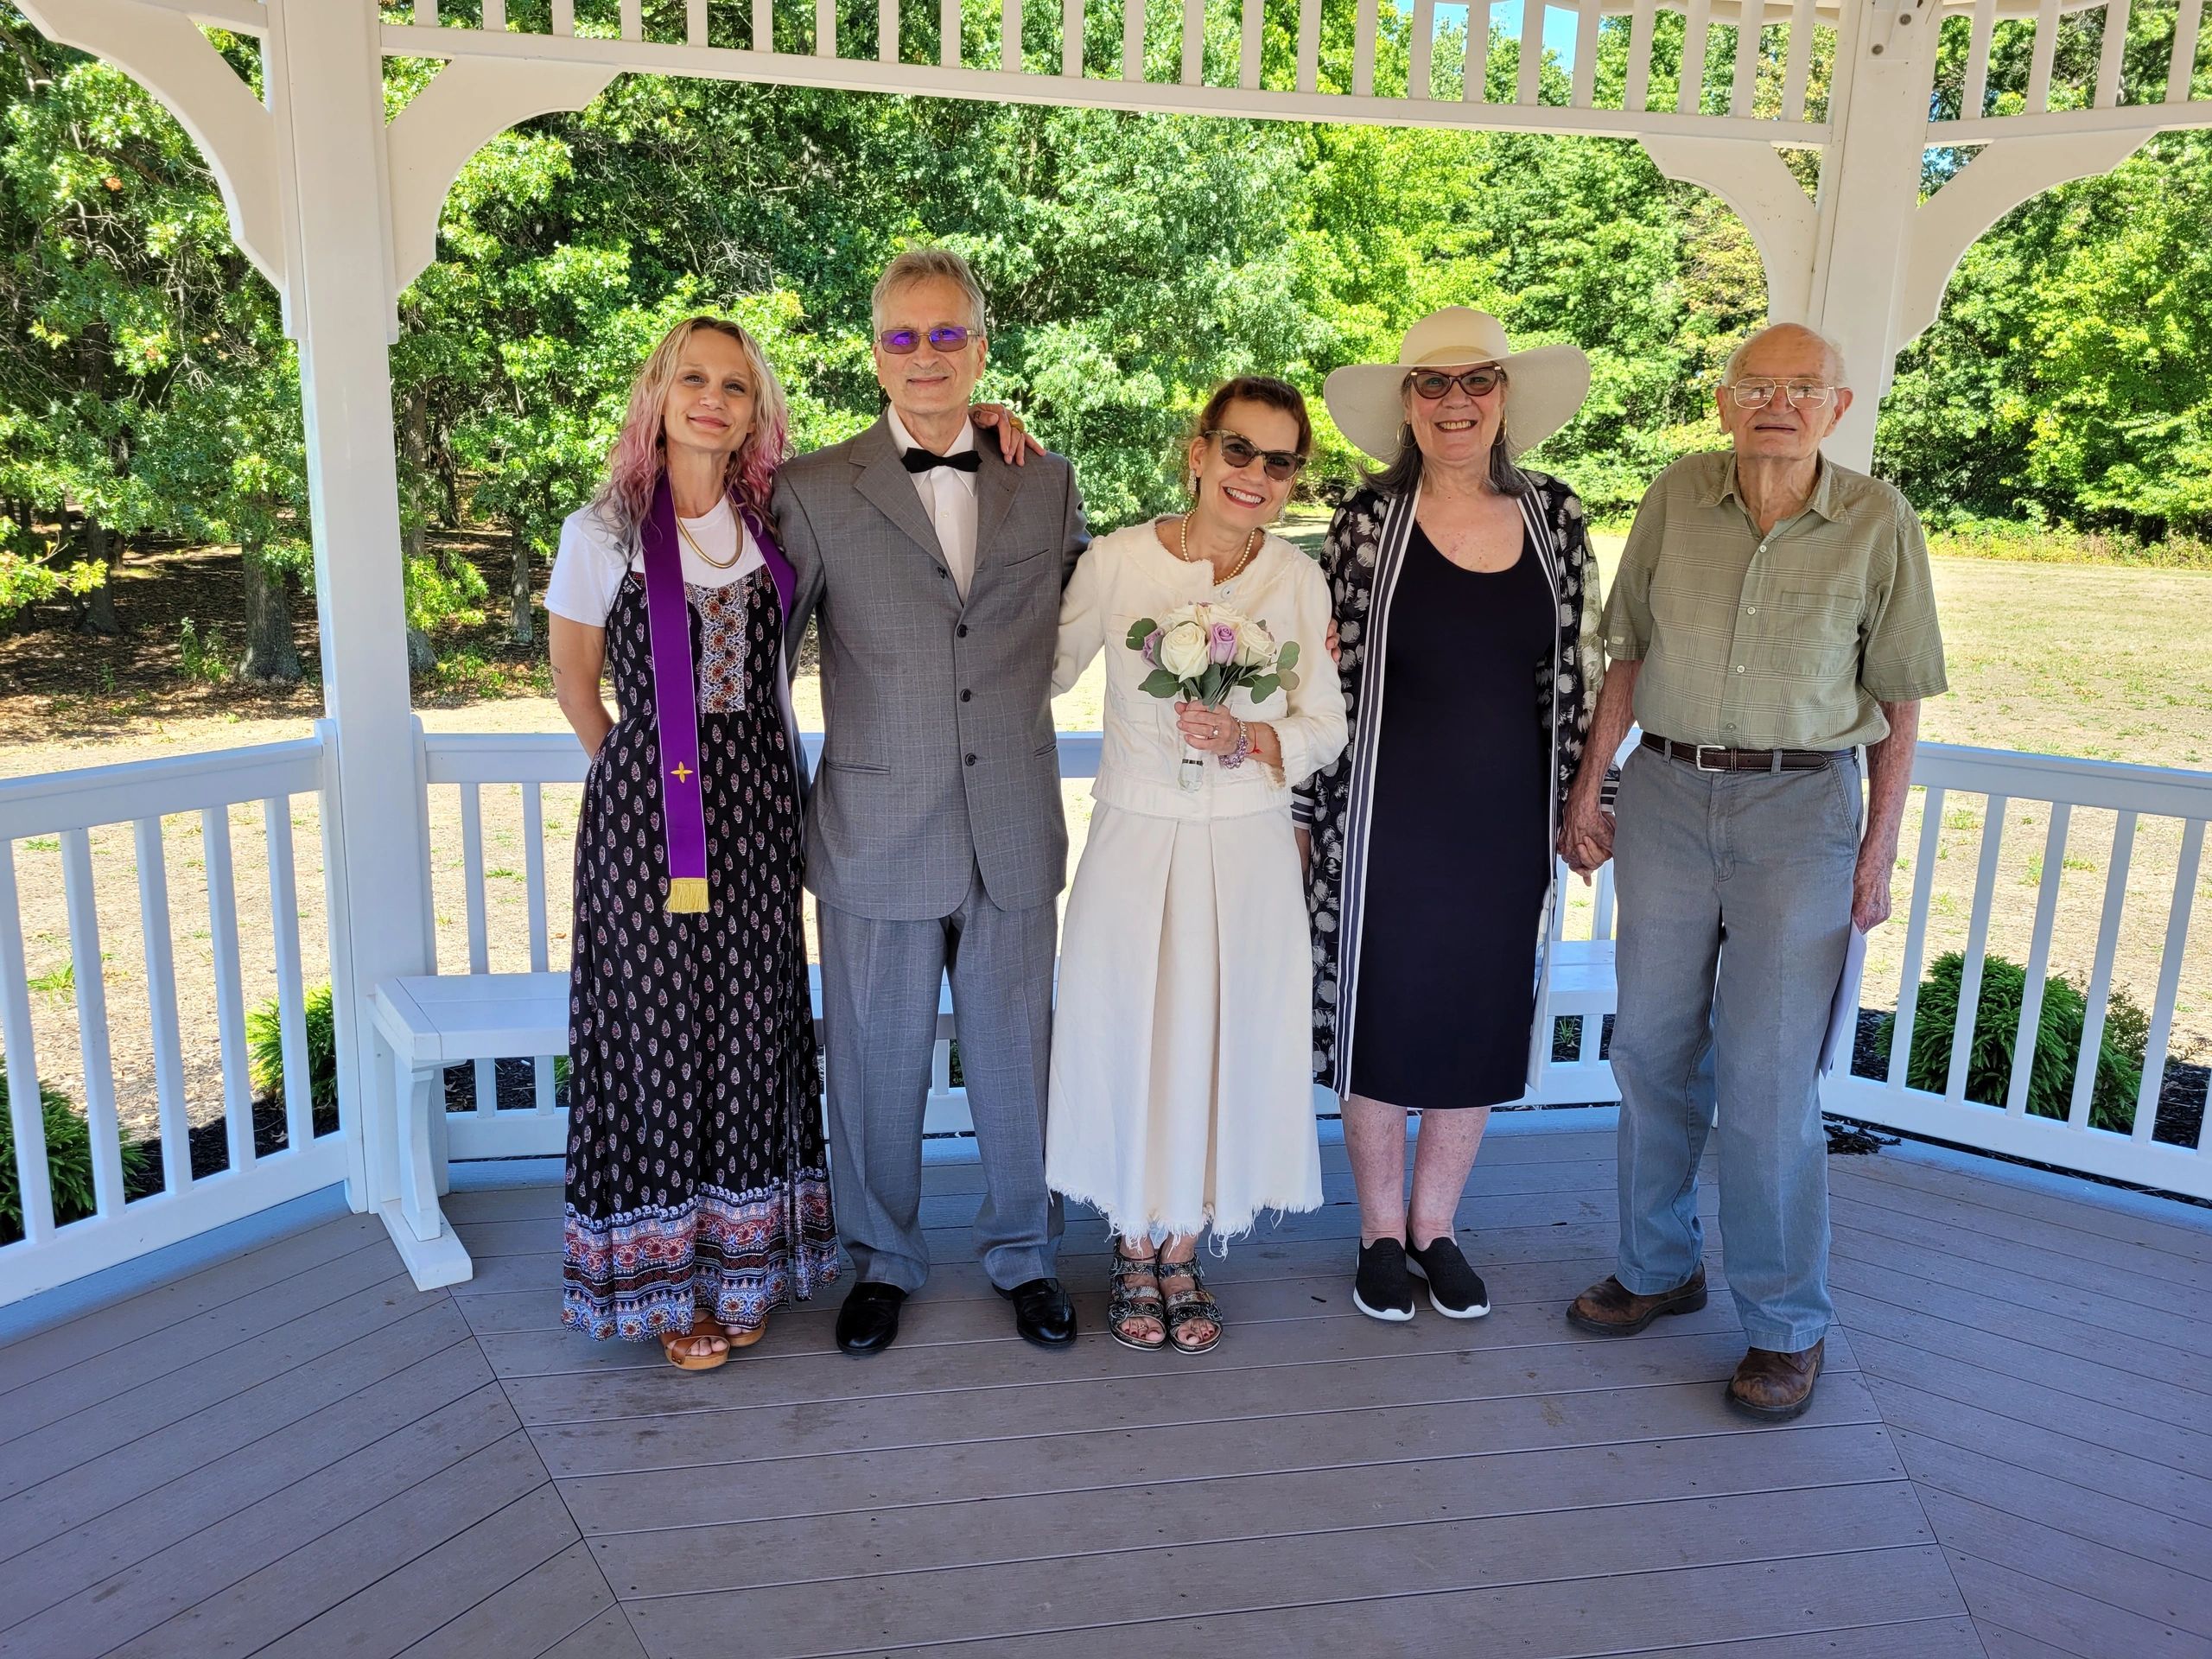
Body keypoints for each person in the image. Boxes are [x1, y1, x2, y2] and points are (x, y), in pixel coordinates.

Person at [1558, 322, 1947, 1421]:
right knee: (1649, 1046)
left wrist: (1875, 853)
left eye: (1801, 388)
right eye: (1755, 386)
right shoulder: (1677, 497)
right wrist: (1591, 793)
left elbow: (1901, 702)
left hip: (1801, 808)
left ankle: (1783, 1326)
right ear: (1725, 403)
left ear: (1838, 404)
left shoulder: (1877, 522)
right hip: (1670, 797)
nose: (1776, 403)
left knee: (1771, 1081)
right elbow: (1624, 651)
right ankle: (1655, 1266)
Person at [772, 249, 1090, 1358]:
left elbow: (1105, 606)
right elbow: (755, 647)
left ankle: (1026, 1253)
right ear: (873, 354)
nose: (925, 356)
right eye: (902, 337)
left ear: (981, 349)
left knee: (1019, 1054)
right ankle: (882, 1260)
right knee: (874, 1060)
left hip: (1010, 821)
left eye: (946, 334)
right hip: (874, 832)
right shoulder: (811, 490)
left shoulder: (1045, 481)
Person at [1300, 307, 1603, 1325]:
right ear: (1407, 406)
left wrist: (1584, 798)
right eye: (1432, 386)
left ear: (1505, 398)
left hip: (1503, 821)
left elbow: (1582, 673)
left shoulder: (1557, 519)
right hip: (1382, 817)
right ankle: (1379, 1234)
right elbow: (1318, 681)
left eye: (1476, 382)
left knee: (1475, 1017)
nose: (1455, 403)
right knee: (1378, 1017)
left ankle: (1438, 1228)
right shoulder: (1365, 522)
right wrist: (1306, 813)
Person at [546, 315, 833, 1369]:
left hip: (758, 816)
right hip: (646, 821)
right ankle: (671, 1284)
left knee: (753, 1031)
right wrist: (647, 785)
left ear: (757, 411)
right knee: (658, 1040)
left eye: (736, 386)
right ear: (658, 395)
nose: (713, 398)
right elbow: (578, 684)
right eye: (693, 379)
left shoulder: (778, 524)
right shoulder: (603, 533)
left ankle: (744, 1266)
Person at [1046, 378, 1347, 1353]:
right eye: (1238, 450)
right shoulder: (1119, 562)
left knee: (1221, 1036)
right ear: (1198, 450)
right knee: (1129, 1026)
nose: (1255, 474)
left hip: (1245, 841)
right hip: (1135, 836)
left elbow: (1324, 725)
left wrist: (1252, 736)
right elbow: (1038, 669)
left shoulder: (1296, 580)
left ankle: (1183, 1247)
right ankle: (1129, 1244)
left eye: (1279, 460)